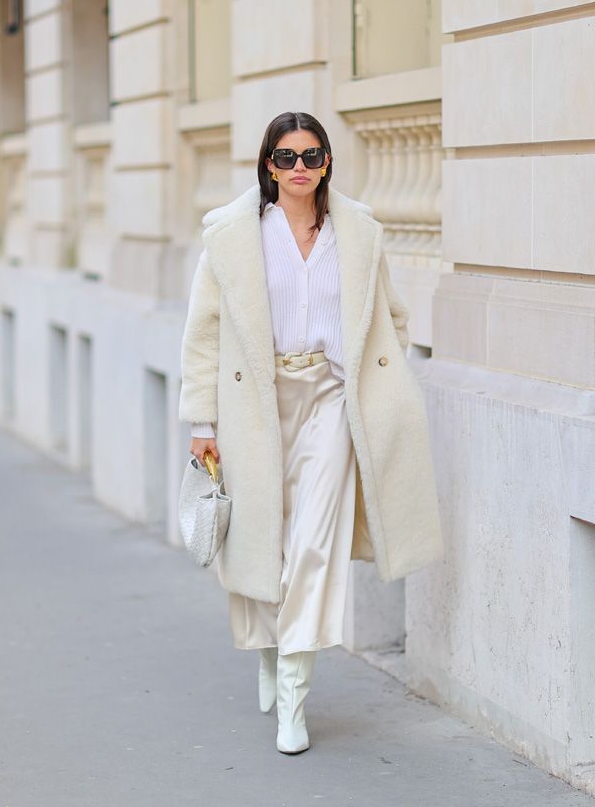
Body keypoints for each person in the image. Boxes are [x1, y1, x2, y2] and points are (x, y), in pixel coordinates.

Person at [178, 111, 444, 755]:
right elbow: (205, 335)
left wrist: (379, 388)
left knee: (314, 540)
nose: (299, 167)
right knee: (265, 537)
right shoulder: (235, 236)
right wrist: (202, 423)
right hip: (255, 404)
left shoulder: (357, 233)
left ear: (327, 162)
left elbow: (391, 317)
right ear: (267, 165)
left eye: (312, 155)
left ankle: (294, 694)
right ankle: (269, 650)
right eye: (286, 156)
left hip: (329, 399)